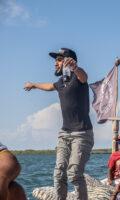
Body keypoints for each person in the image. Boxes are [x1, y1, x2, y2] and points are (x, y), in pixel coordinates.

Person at [24, 48, 94, 200]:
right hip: (64, 134)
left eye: (59, 60)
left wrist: (75, 68)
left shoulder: (78, 78)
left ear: (69, 61)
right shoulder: (61, 82)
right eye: (55, 60)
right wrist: (34, 85)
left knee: (74, 173)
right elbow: (49, 86)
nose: (55, 63)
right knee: (59, 173)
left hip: (82, 134)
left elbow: (84, 76)